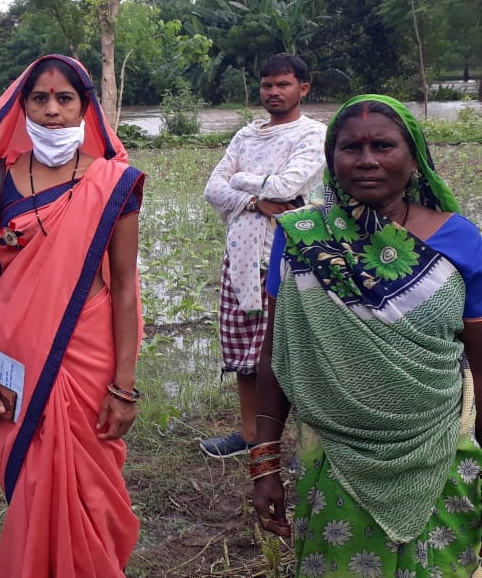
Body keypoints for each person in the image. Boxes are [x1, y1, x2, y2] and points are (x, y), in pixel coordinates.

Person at [252, 95, 482, 576]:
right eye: (350, 147)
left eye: (383, 144)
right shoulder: (300, 236)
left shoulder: (460, 239)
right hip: (337, 456)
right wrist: (265, 465)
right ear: (331, 159)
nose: (368, 159)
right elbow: (276, 352)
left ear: (413, 157)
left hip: (443, 450)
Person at [0, 54, 145, 577]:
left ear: (86, 108)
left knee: (90, 480)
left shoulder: (114, 182)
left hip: (88, 353)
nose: (53, 110)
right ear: (22, 107)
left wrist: (124, 385)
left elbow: (125, 287)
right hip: (19, 355)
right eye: (40, 98)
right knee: (35, 477)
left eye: (65, 99)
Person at [200, 53, 325, 459]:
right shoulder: (246, 136)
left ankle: (309, 444)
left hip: (293, 254)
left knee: (297, 348)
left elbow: (290, 185)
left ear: (303, 88)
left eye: (283, 84)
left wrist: (240, 180)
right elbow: (211, 189)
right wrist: (256, 200)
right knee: (244, 347)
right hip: (241, 254)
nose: (273, 92)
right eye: (267, 85)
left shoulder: (312, 135)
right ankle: (251, 434)